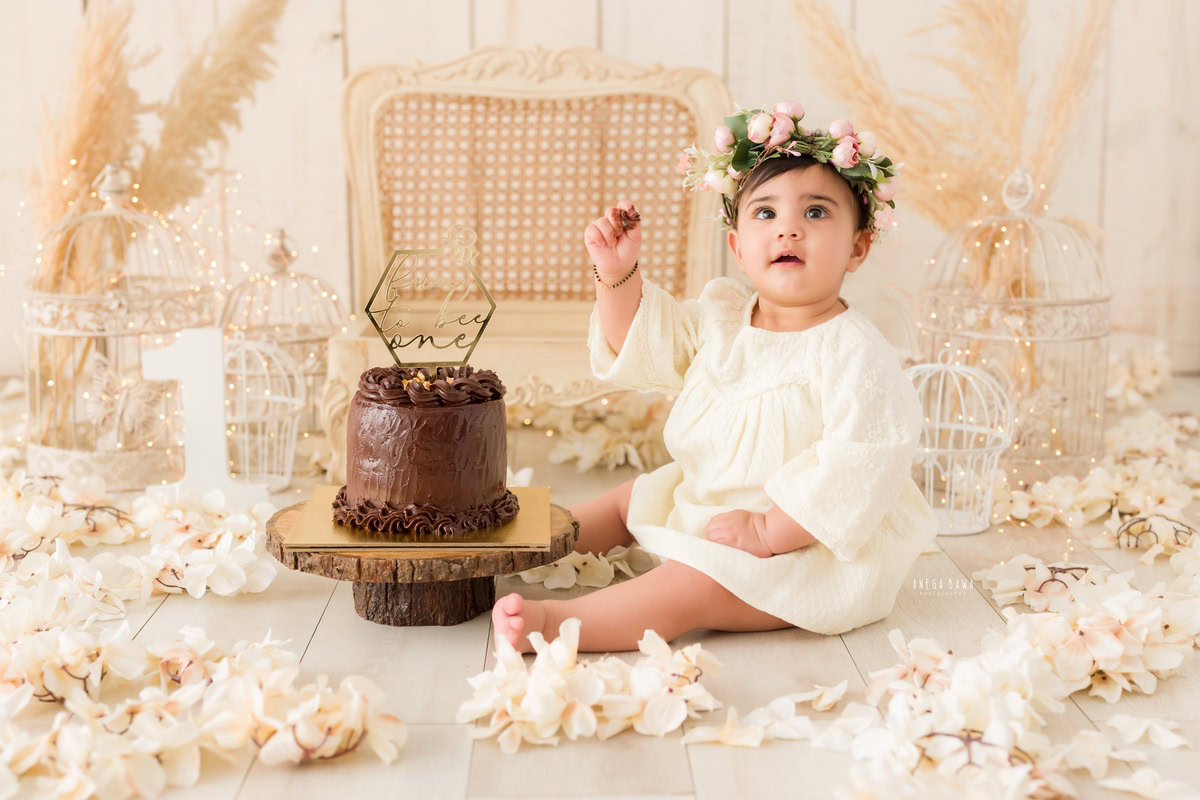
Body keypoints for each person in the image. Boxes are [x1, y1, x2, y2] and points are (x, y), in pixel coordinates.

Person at [492, 100, 937, 653]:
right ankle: (506, 542)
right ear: (738, 249)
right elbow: (646, 339)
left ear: (859, 247)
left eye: (816, 213)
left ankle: (558, 625)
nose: (789, 230)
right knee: (629, 499)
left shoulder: (854, 352)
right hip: (705, 508)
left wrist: (768, 532)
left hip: (803, 553)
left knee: (691, 587)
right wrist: (617, 274)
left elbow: (861, 465)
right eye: (766, 214)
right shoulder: (723, 317)